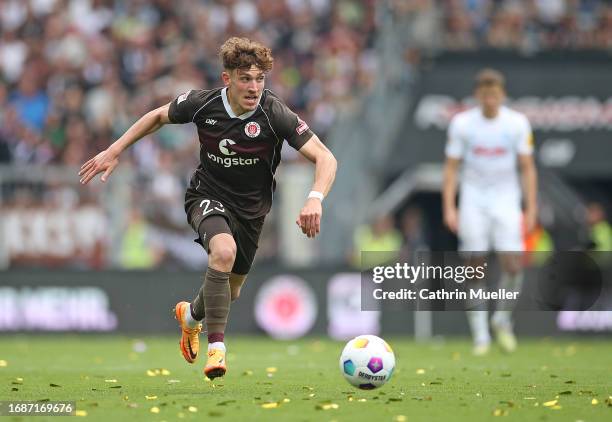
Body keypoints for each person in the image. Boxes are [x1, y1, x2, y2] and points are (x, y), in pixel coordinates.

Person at [79, 37, 337, 379]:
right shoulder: (204, 104)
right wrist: (115, 149)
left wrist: (315, 197)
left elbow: (325, 156)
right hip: (207, 195)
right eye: (246, 78)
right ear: (227, 78)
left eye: (260, 79)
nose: (254, 87)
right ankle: (217, 348)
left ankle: (191, 317)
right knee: (223, 251)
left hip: (252, 211)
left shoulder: (274, 112)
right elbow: (157, 117)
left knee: (231, 290)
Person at [442, 69, 537, 355]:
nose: (490, 98)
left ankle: (502, 318)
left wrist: (530, 208)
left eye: (494, 93)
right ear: (477, 95)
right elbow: (451, 168)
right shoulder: (462, 124)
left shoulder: (517, 123)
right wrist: (450, 206)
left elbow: (527, 167)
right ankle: (481, 336)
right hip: (473, 199)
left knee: (513, 264)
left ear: (502, 94)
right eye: (485, 93)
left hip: (507, 200)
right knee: (475, 266)